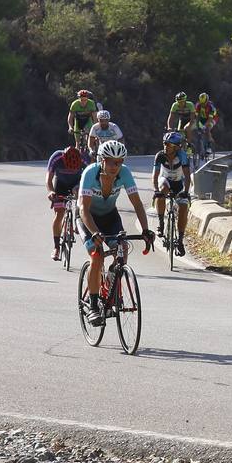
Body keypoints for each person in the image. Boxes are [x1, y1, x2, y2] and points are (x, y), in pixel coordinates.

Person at [79, 139, 154, 326]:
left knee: (122, 250)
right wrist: (95, 233)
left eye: (119, 162)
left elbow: (137, 203)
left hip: (110, 217)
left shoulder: (125, 173)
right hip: (88, 218)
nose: (115, 166)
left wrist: (145, 230)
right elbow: (83, 209)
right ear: (102, 160)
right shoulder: (90, 173)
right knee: (97, 257)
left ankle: (112, 281)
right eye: (111, 161)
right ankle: (94, 306)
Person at [151, 131, 191, 257]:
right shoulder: (160, 156)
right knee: (162, 191)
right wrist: (156, 190)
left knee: (184, 207)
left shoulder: (183, 156)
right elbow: (155, 175)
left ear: (177, 147)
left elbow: (187, 176)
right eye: (164, 144)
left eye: (169, 144)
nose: (165, 146)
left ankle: (180, 240)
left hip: (179, 183)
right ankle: (161, 223)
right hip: (165, 181)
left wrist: (185, 192)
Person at [45, 145, 85, 260]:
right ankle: (56, 247)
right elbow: (48, 179)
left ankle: (78, 218)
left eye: (74, 169)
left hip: (76, 183)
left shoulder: (83, 159)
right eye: (69, 168)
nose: (71, 170)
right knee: (59, 214)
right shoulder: (56, 158)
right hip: (60, 185)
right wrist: (51, 192)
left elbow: (90, 177)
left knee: (78, 193)